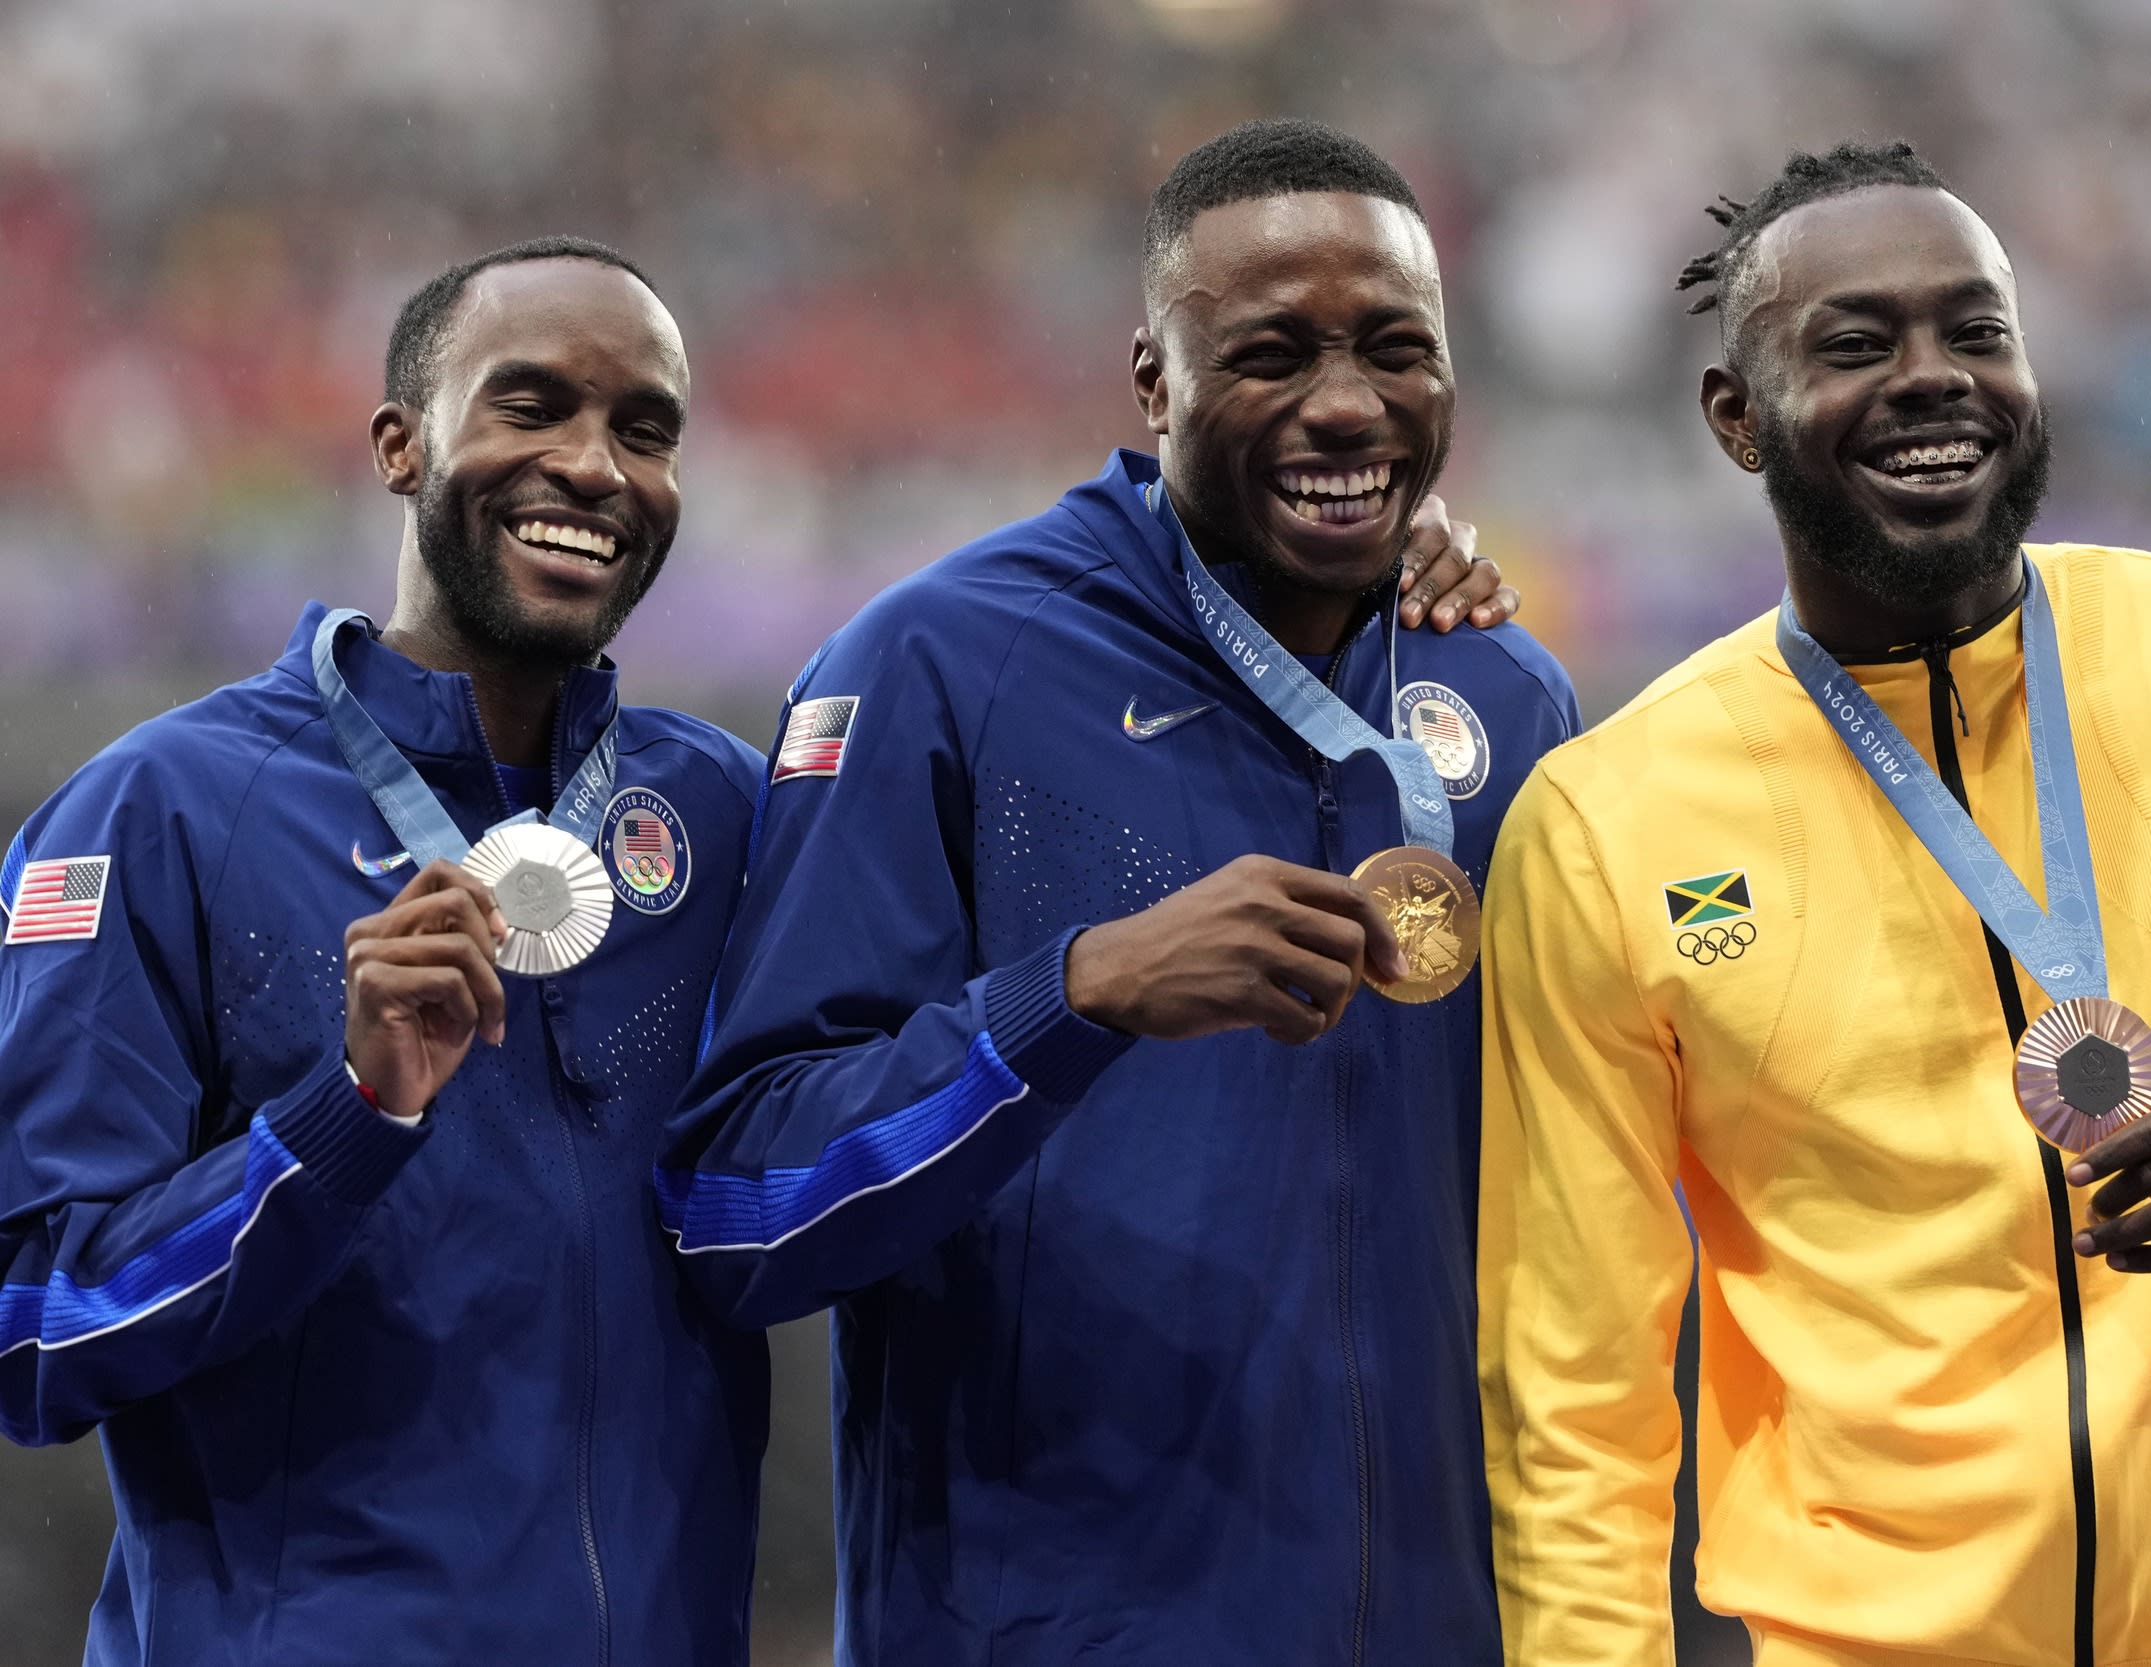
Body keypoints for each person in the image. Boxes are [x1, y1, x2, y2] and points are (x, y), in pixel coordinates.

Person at [1476, 140, 2151, 1667]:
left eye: (1976, 329)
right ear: (1734, 419)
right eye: (1855, 343)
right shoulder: (1606, 824)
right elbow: (1575, 1395)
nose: (1932, 376)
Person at [662, 118, 1578, 1665]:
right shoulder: (942, 668)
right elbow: (738, 1207)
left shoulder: (1505, 686)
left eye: (1396, 351)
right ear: (1154, 383)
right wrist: (1068, 999)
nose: (1347, 405)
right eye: (1274, 353)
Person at [0, 237, 778, 1665]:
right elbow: (33, 1332)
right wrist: (343, 1121)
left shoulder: (726, 815)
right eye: (531, 406)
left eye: (644, 429)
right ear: (400, 446)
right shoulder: (162, 813)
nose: (596, 466)